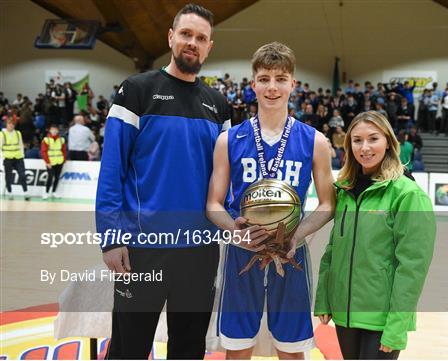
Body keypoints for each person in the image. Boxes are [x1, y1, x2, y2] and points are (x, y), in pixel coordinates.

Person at [96, 4, 230, 359]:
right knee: (129, 348)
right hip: (142, 248)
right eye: (186, 34)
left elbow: (226, 180)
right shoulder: (136, 90)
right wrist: (110, 238)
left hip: (200, 253)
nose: (192, 43)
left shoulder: (218, 105)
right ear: (171, 37)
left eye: (201, 38)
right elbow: (112, 171)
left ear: (209, 47)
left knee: (188, 348)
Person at [206, 42, 335, 359]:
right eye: (264, 78)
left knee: (292, 349)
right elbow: (213, 204)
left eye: (280, 78)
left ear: (293, 84)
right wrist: (236, 233)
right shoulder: (229, 139)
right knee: (236, 347)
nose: (272, 87)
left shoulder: (315, 141)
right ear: (253, 85)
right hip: (240, 254)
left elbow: (328, 204)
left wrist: (295, 235)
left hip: (292, 254)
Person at [314, 111, 435, 359]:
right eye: (357, 140)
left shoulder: (408, 194)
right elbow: (332, 251)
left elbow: (412, 267)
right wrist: (324, 299)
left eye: (373, 139)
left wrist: (396, 326)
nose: (365, 147)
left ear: (388, 142)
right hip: (345, 314)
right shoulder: (345, 189)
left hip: (381, 319)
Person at [1, 118, 30, 200]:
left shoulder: (18, 133)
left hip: (18, 157)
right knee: (8, 176)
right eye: (9, 124)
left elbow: (21, 144)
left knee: (22, 175)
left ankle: (25, 192)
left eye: (12, 124)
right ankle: (10, 192)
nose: (11, 125)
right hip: (8, 158)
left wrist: (22, 154)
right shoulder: (2, 134)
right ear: (6, 125)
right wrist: (2, 156)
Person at [40, 124, 66, 199]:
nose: (54, 131)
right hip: (50, 162)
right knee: (50, 177)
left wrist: (64, 159)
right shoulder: (46, 140)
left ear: (57, 130)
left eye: (55, 129)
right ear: (50, 130)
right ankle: (46, 192)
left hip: (59, 161)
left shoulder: (61, 139)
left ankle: (54, 192)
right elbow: (43, 152)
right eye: (52, 129)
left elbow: (64, 150)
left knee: (57, 177)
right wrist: (47, 162)